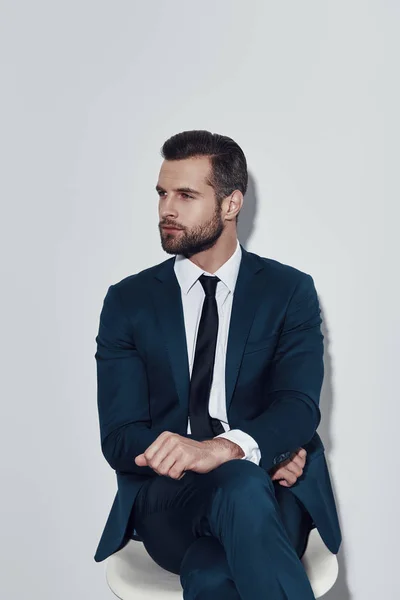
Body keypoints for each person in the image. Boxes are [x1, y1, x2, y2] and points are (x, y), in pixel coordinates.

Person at [93, 130, 342, 599]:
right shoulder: (129, 302)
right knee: (241, 484)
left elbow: (298, 406)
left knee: (212, 573)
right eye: (163, 194)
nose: (167, 209)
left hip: (271, 493)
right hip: (172, 501)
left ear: (231, 205)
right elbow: (120, 437)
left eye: (186, 195)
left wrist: (232, 449)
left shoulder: (289, 292)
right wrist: (210, 454)